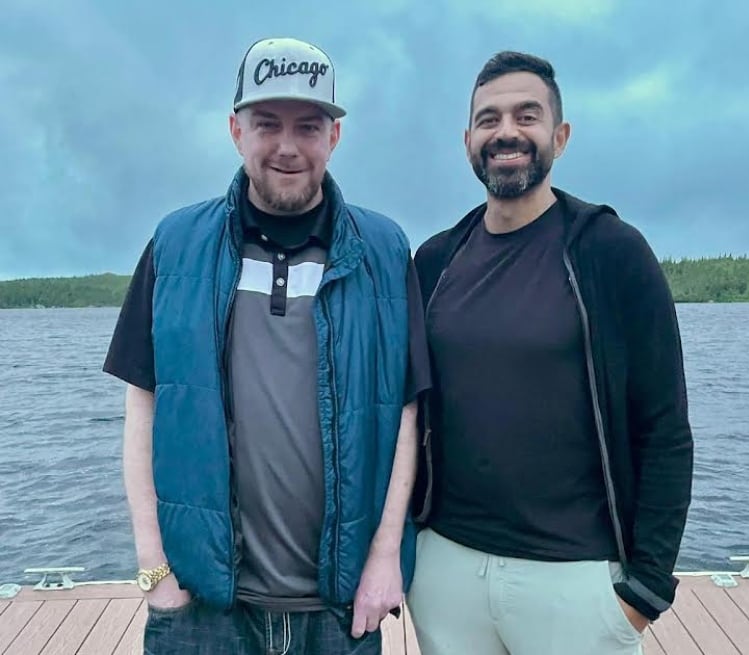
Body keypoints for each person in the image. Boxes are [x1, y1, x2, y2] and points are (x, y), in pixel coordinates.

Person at [104, 36, 430, 655]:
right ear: (235, 130)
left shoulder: (386, 253)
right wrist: (153, 566)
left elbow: (406, 410)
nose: (286, 146)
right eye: (266, 124)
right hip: (204, 608)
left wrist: (387, 556)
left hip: (339, 610)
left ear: (334, 136)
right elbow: (143, 403)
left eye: (308, 125)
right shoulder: (175, 246)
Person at [408, 51, 694, 655]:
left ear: (559, 137)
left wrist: (643, 591)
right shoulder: (434, 262)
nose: (506, 132)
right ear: (468, 141)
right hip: (448, 570)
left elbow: (665, 428)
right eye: (488, 119)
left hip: (576, 579)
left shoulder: (611, 252)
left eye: (526, 116)